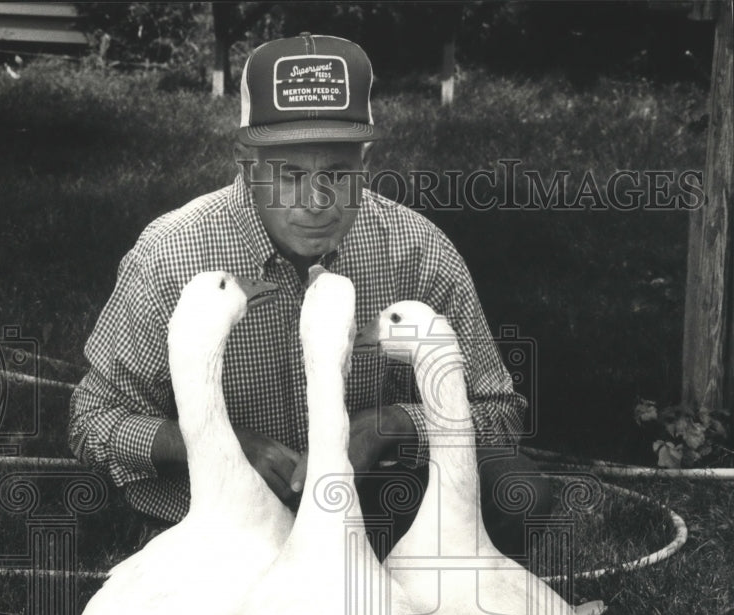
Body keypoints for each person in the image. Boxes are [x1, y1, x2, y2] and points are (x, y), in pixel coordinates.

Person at [69, 33, 548, 557]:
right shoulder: (169, 255)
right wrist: (221, 445)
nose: (317, 201)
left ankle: (407, 592)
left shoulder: (418, 250)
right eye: (291, 175)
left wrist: (389, 426)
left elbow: (499, 411)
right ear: (245, 160)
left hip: (368, 502)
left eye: (339, 174)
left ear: (366, 159)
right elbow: (93, 421)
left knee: (518, 494)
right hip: (227, 515)